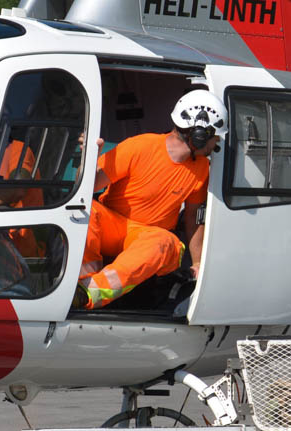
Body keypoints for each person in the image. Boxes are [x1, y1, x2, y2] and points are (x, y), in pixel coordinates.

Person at [76, 89, 225, 309]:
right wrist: (88, 158)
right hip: (114, 225)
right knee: (86, 209)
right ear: (199, 135)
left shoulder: (201, 169)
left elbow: (193, 219)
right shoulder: (140, 146)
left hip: (150, 236)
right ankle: (78, 285)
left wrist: (197, 263)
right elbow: (86, 188)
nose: (216, 145)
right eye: (215, 137)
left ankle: (88, 295)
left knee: (163, 242)